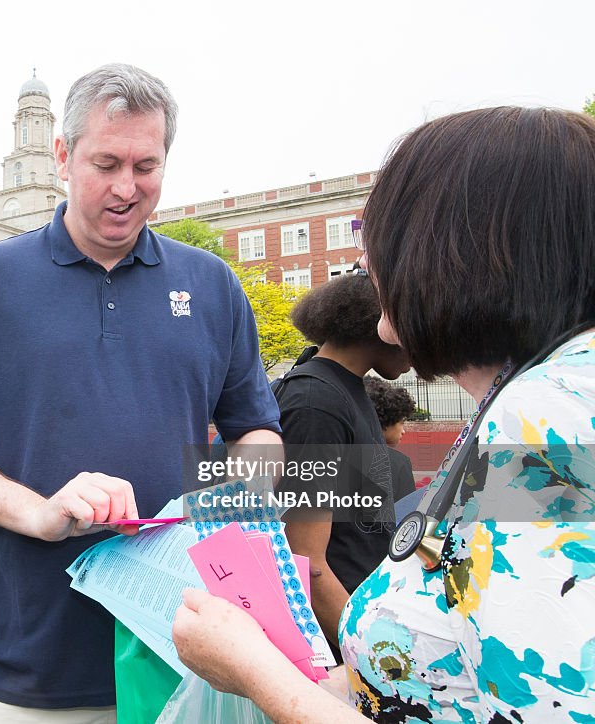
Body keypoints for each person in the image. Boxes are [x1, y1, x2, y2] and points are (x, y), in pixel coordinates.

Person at [173, 106, 595, 722]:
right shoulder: (323, 398)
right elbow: (313, 546)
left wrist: (256, 672)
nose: (367, 260)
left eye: (380, 235)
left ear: (458, 251)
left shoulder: (539, 421)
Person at [0, 62, 282, 722]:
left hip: (182, 662)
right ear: (61, 154)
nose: (126, 188)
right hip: (22, 674)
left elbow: (257, 429)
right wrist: (39, 512)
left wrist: (234, 502)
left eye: (146, 166)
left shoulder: (212, 284)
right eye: (106, 163)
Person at [274, 272, 411, 659]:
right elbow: (306, 563)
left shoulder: (346, 391)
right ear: (379, 325)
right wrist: (376, 661)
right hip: (338, 646)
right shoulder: (315, 402)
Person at [363, 377, 418, 505]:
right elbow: (406, 512)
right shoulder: (398, 462)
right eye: (401, 422)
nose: (403, 431)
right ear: (387, 420)